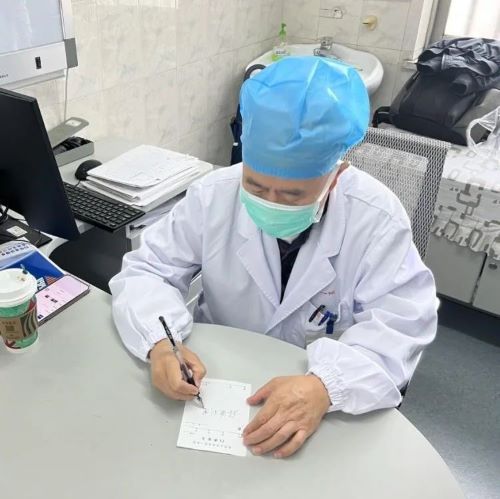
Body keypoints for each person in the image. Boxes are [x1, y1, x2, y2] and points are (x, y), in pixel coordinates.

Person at [110, 56, 438, 459]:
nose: (271, 202)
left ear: (336, 173)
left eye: (293, 194)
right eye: (257, 186)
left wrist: (326, 386)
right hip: (217, 376)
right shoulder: (213, 195)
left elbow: (403, 323)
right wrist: (160, 343)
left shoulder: (377, 219)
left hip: (319, 401)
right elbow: (149, 270)